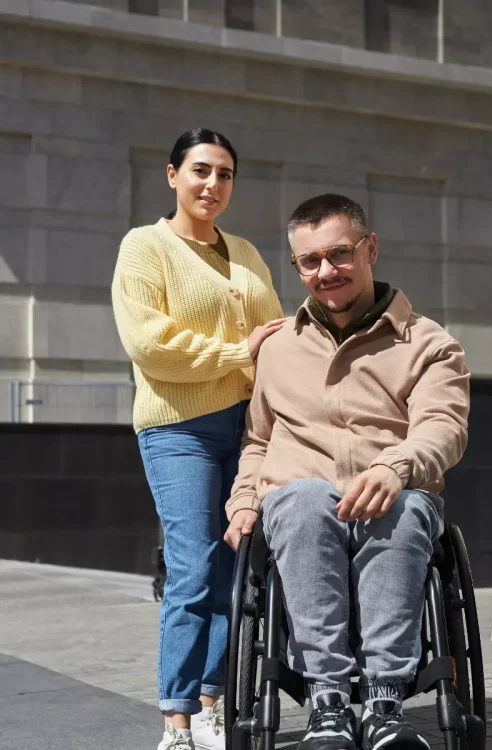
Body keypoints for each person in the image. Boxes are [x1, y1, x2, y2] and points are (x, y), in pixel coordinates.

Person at [224, 194, 470, 750]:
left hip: (397, 492)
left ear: (370, 248)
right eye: (309, 261)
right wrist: (244, 502)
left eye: (338, 254)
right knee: (306, 500)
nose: (325, 271)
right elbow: (257, 441)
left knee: (401, 507)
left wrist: (395, 465)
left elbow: (443, 426)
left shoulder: (430, 344)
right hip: (301, 499)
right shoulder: (278, 348)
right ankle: (328, 701)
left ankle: (385, 702)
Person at [112, 128, 285, 750]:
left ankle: (215, 702)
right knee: (192, 568)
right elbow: (150, 345)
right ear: (172, 175)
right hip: (178, 428)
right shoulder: (144, 248)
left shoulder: (245, 252)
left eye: (226, 174)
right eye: (201, 171)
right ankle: (177, 722)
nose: (213, 185)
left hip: (248, 428)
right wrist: (239, 352)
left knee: (236, 569)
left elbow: (278, 332)